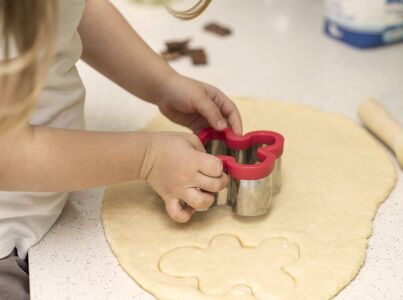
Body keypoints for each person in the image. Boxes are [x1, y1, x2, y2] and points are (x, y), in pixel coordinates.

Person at [0, 0, 240, 299]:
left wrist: (163, 84)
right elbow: (8, 153)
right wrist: (147, 158)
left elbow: (78, 10)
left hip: (36, 221)